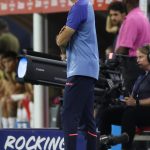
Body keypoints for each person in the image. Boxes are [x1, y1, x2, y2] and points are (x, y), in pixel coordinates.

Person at [56, 0, 99, 150]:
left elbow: (62, 39)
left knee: (68, 116)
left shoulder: (79, 6)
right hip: (89, 70)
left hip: (80, 70)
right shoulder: (86, 5)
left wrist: (59, 39)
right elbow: (64, 44)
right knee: (88, 120)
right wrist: (62, 45)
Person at [98, 44, 150, 150]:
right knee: (108, 113)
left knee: (130, 112)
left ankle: (125, 146)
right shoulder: (142, 77)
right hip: (137, 111)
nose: (137, 60)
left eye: (141, 57)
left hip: (147, 113)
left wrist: (136, 103)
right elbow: (133, 98)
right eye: (137, 57)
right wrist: (126, 101)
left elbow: (137, 102)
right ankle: (103, 144)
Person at [115, 0, 150, 93]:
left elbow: (123, 48)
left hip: (133, 66)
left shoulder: (131, 19)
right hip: (142, 64)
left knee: (131, 99)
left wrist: (111, 59)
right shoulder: (142, 16)